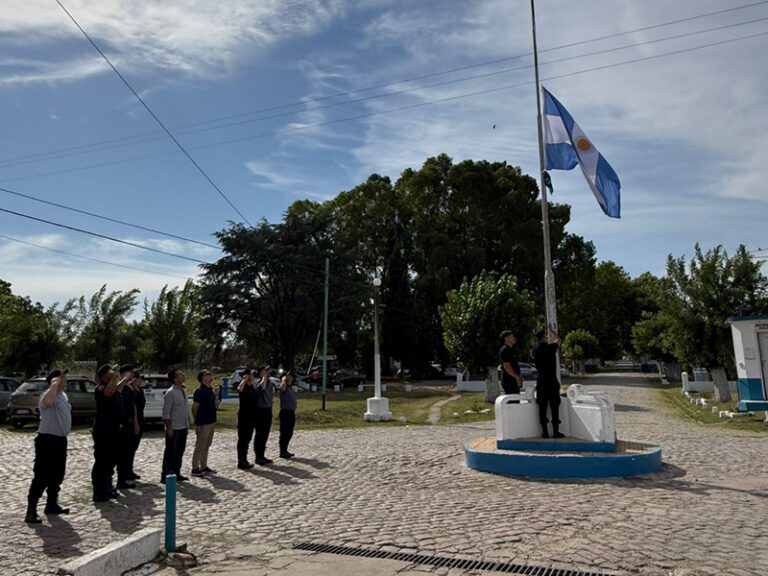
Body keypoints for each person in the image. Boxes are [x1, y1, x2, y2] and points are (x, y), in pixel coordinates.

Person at [25, 369, 72, 524]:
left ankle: (51, 504)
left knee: (57, 474)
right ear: (55, 380)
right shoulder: (48, 394)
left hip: (60, 441)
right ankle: (31, 510)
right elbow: (47, 403)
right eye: (63, 378)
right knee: (42, 476)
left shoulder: (62, 395)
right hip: (47, 441)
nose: (65, 380)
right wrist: (54, 385)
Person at [92, 364, 128, 502]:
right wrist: (114, 378)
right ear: (104, 376)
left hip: (114, 430)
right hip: (103, 431)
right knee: (102, 460)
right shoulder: (101, 388)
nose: (113, 373)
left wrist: (124, 380)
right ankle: (99, 491)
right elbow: (108, 392)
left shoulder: (112, 386)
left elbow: (116, 388)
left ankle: (107, 487)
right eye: (110, 372)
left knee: (111, 460)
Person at [533, 329, 564, 438]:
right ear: (544, 337)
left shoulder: (535, 348)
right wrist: (553, 332)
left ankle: (545, 432)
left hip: (541, 381)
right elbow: (559, 340)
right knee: (554, 406)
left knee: (542, 407)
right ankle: (555, 432)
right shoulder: (550, 347)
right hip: (551, 380)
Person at [161, 369, 190, 484]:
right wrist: (169, 427)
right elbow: (166, 412)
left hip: (183, 426)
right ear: (175, 379)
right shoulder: (170, 393)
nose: (183, 375)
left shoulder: (183, 390)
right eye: (180, 374)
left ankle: (176, 472)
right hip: (174, 427)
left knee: (179, 451)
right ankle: (166, 474)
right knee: (170, 451)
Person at [191, 369, 217, 476]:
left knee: (207, 444)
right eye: (207, 374)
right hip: (203, 423)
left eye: (210, 374)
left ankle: (204, 465)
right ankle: (195, 467)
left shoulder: (210, 390)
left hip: (211, 421)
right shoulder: (200, 391)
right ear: (202, 378)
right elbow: (194, 407)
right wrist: (197, 420)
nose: (210, 376)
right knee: (200, 445)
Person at [116, 364, 138, 489]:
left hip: (129, 423)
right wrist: (124, 379)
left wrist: (135, 422)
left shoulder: (129, 387)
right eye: (130, 373)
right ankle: (120, 480)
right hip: (121, 424)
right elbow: (116, 389)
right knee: (121, 453)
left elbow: (133, 405)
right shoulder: (119, 385)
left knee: (128, 452)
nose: (132, 375)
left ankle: (125, 476)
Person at [123, 370, 145, 480]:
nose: (141, 381)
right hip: (132, 421)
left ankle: (130, 469)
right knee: (129, 448)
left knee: (134, 447)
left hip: (140, 419)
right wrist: (135, 423)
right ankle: (126, 471)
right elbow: (133, 407)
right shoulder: (128, 390)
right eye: (139, 378)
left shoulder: (140, 390)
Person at [236, 369, 257, 469]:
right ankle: (241, 461)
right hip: (244, 416)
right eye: (250, 374)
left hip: (252, 416)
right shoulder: (243, 385)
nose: (252, 376)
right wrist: (244, 380)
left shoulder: (252, 386)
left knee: (248, 438)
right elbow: (239, 389)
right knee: (242, 439)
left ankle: (245, 459)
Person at [253, 366, 275, 465]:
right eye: (265, 371)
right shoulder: (258, 382)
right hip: (260, 410)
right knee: (260, 434)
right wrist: (264, 378)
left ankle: (262, 455)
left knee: (265, 434)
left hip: (268, 410)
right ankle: (258, 456)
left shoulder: (270, 383)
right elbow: (262, 388)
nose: (268, 372)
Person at [277, 370, 297, 459]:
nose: (291, 378)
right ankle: (282, 451)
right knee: (284, 432)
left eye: (291, 376)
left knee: (290, 432)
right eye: (289, 376)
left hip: (291, 412)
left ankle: (285, 450)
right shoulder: (283, 386)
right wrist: (283, 380)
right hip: (285, 412)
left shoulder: (290, 387)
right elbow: (281, 388)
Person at [499, 330, 523, 396]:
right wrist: (517, 377)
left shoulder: (510, 350)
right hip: (509, 381)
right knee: (512, 400)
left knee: (516, 399)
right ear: (506, 338)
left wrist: (519, 376)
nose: (514, 338)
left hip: (513, 380)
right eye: (512, 336)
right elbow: (506, 366)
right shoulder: (505, 350)